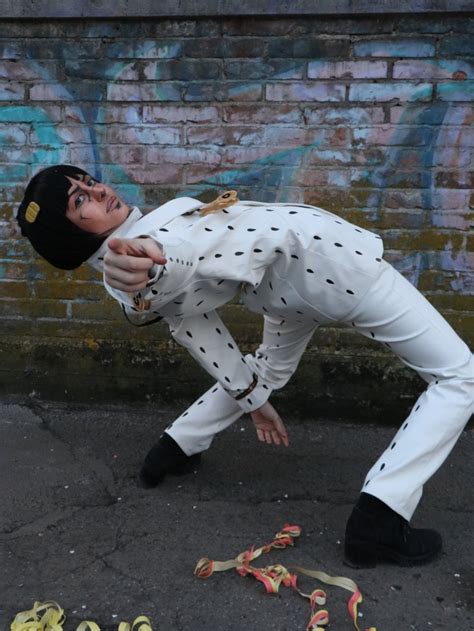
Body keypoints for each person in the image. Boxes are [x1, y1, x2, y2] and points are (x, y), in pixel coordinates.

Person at [17, 164, 474, 569]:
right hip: (340, 270)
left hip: (285, 292)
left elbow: (196, 330)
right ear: (74, 235)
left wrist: (254, 398)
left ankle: (175, 448)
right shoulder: (151, 245)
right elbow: (171, 256)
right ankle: (382, 517)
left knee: (270, 369)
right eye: (80, 201)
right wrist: (145, 271)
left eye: (90, 183)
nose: (98, 193)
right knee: (460, 376)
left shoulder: (151, 243)